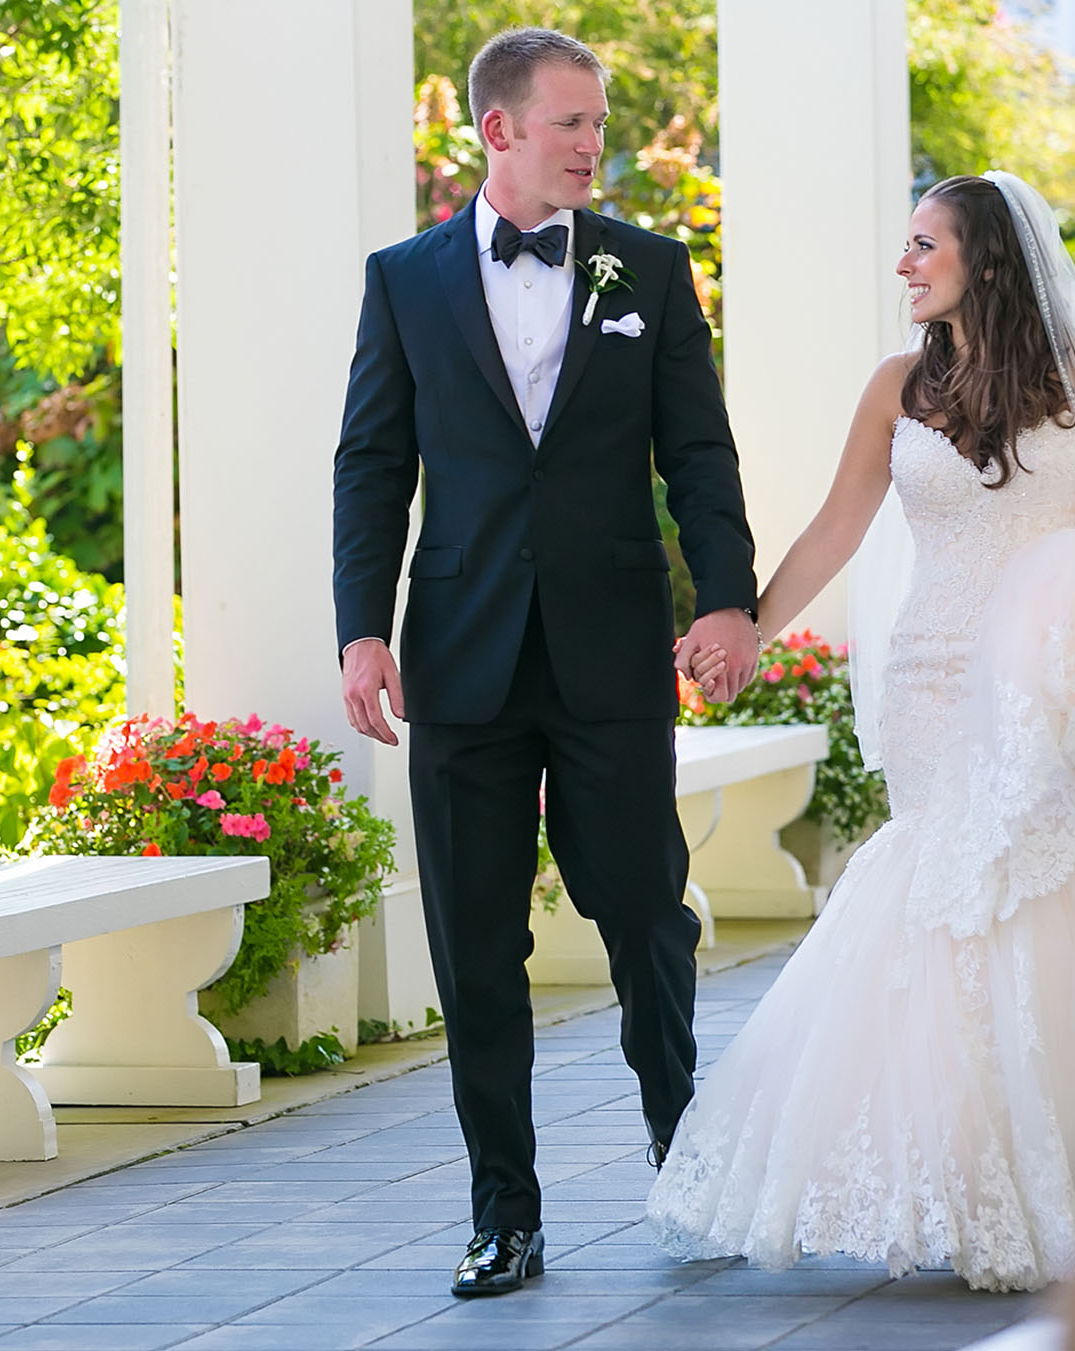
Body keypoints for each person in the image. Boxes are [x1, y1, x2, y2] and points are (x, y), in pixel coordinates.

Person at [648, 172, 1075, 1290]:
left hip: (1039, 688)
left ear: (985, 259)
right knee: (943, 897)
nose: (903, 264)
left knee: (1050, 898)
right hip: (932, 680)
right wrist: (745, 626)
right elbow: (837, 528)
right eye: (903, 246)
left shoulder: (1073, 378)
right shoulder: (894, 387)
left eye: (923, 244)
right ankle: (959, 1184)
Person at [331, 27, 760, 1297]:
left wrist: (729, 600)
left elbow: (701, 454)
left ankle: (683, 1156)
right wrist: (361, 627)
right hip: (459, 659)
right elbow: (372, 463)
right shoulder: (403, 280)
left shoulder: (652, 270)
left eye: (601, 120)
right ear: (498, 131)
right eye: (571, 122)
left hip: (611, 654)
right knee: (473, 948)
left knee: (644, 917)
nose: (595, 144)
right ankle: (502, 1214)